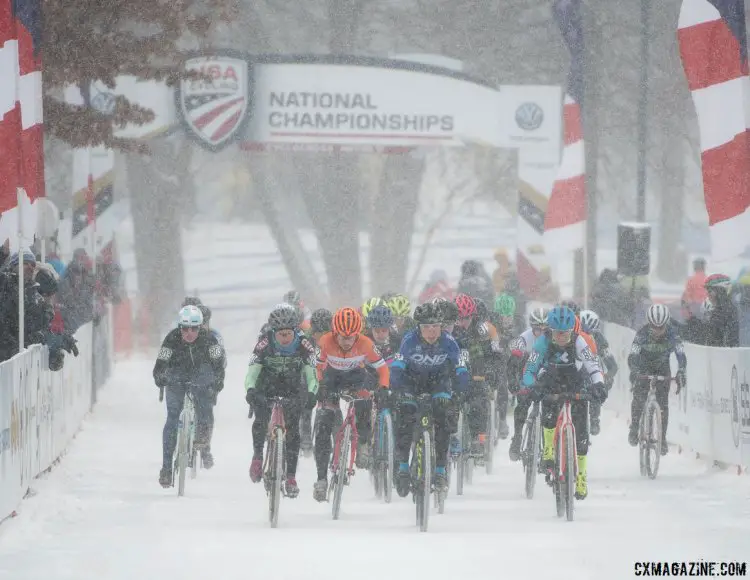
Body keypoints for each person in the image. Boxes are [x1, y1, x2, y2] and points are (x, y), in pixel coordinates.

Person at [522, 305, 606, 499]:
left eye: (566, 334)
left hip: (575, 384)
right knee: (548, 409)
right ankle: (549, 450)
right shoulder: (543, 342)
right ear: (550, 330)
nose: (562, 338)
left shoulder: (580, 342)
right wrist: (530, 386)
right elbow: (530, 369)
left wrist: (599, 385)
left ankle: (582, 476)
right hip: (551, 383)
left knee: (582, 434)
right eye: (558, 333)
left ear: (572, 331)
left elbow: (593, 367)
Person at [390, 302, 468, 497]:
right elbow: (398, 366)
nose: (432, 331)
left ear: (441, 326)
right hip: (411, 383)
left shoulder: (449, 342)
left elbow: (460, 368)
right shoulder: (408, 340)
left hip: (438, 383)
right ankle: (402, 467)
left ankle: (440, 470)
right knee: (405, 416)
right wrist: (396, 387)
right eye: (426, 327)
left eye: (435, 326)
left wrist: (460, 390)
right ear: (419, 327)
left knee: (442, 418)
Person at [313, 307, 390, 501]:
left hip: (356, 377)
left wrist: (383, 388)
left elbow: (383, 370)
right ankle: (321, 479)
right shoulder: (325, 342)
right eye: (342, 337)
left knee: (364, 400)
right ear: (334, 333)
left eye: (351, 338)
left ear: (357, 335)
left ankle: (363, 442)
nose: (346, 342)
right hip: (331, 378)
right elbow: (317, 367)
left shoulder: (366, 343)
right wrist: (320, 385)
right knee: (323, 423)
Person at [245, 304, 318, 498]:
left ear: (295, 331)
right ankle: (258, 456)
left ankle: (291, 477)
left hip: (292, 386)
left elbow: (312, 375)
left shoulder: (304, 344)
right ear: (273, 332)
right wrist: (250, 390)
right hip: (266, 383)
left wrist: (312, 393)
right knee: (261, 418)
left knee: (293, 429)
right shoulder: (264, 343)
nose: (285, 338)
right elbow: (252, 371)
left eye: (288, 334)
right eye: (281, 334)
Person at [153, 305, 226, 487]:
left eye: (194, 328)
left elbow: (218, 365)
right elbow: (161, 362)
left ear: (200, 327)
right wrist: (160, 376)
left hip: (200, 377)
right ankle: (166, 468)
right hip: (176, 377)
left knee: (205, 403)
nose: (189, 333)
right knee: (172, 418)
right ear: (180, 327)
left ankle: (203, 437)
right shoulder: (171, 338)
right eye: (185, 328)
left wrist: (218, 381)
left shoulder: (210, 340)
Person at [627, 303, 686, 452]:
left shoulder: (673, 334)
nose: (658, 330)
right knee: (639, 397)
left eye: (661, 327)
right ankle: (634, 427)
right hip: (643, 366)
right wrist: (634, 370)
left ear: (666, 324)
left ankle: (662, 438)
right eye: (654, 327)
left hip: (662, 368)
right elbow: (633, 355)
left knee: (663, 405)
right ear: (649, 323)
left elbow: (681, 355)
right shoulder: (641, 334)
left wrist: (681, 371)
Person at [507, 306, 548, 461]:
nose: (542, 334)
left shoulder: (552, 340)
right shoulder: (523, 339)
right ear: (532, 329)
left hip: (545, 375)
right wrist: (513, 381)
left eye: (546, 331)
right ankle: (517, 437)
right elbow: (512, 363)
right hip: (527, 374)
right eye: (538, 330)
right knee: (523, 403)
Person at [579, 309, 618, 436]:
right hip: (576, 369)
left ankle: (594, 418)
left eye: (591, 334)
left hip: (593, 370)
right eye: (583, 332)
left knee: (596, 386)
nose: (587, 337)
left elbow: (612, 365)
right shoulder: (573, 335)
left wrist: (608, 376)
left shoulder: (600, 340)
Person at [703, 274, 739, 347]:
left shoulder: (724, 311)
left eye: (710, 291)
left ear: (720, 291)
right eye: (707, 291)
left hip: (723, 355)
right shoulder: (720, 308)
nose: (708, 295)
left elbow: (714, 336)